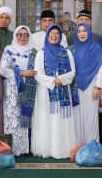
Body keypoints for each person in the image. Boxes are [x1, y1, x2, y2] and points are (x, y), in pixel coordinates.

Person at [31, 24, 76, 159]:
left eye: (57, 33)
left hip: (63, 87)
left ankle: (61, 149)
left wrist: (61, 79)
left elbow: (73, 71)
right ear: (47, 35)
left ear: (61, 36)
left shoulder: (67, 52)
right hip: (46, 91)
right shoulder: (41, 52)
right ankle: (47, 149)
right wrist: (52, 81)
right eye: (52, 33)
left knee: (61, 118)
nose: (54, 36)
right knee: (47, 119)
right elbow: (37, 73)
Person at [0, 25, 37, 156]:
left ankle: (27, 148)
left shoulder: (34, 52)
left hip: (30, 89)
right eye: (19, 35)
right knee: (13, 118)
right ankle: (14, 148)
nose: (22, 37)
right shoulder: (9, 49)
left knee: (27, 117)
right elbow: (3, 70)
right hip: (12, 90)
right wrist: (21, 73)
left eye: (25, 35)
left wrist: (29, 74)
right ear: (15, 36)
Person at [69, 22, 102, 144]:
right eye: (79, 31)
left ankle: (92, 145)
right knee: (77, 116)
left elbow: (101, 67)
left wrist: (98, 87)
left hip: (92, 85)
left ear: (89, 32)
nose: (82, 33)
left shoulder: (96, 48)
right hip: (75, 87)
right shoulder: (71, 49)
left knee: (91, 116)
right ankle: (78, 145)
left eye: (84, 30)